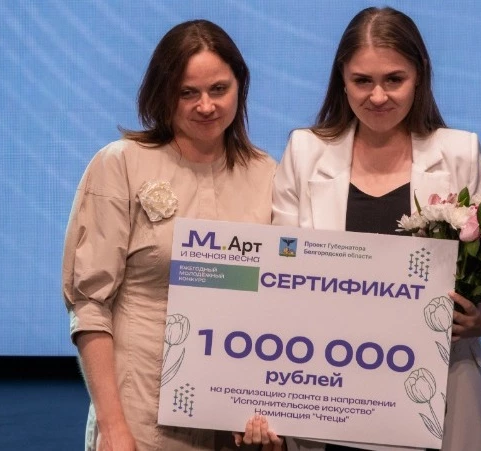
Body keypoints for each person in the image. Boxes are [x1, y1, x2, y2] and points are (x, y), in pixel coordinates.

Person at [272, 7, 481, 451]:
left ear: (419, 76)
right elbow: (279, 264)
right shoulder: (304, 152)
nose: (378, 96)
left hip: (436, 393)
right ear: (342, 79)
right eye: (362, 80)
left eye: (394, 79)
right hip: (328, 389)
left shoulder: (460, 153)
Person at [62, 20, 283, 451]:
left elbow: (278, 301)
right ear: (163, 93)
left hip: (232, 421)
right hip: (139, 414)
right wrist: (113, 426)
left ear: (240, 86)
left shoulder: (267, 173)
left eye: (219, 89)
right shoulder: (121, 164)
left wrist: (268, 411)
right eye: (188, 93)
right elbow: (90, 305)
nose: (206, 106)